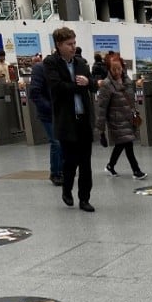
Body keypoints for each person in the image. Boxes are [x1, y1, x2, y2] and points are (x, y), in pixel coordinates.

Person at [44, 26, 98, 212]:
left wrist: (88, 83)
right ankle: (67, 189)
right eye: (69, 44)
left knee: (86, 163)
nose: (73, 47)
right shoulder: (51, 63)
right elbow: (57, 87)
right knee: (70, 161)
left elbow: (93, 85)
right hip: (67, 121)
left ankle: (84, 198)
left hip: (83, 120)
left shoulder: (81, 63)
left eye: (74, 43)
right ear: (59, 45)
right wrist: (79, 85)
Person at [95, 53, 145, 179]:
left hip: (128, 118)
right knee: (128, 145)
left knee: (121, 145)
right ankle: (136, 171)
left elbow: (130, 99)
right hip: (116, 120)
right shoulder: (106, 85)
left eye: (119, 68)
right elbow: (102, 108)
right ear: (109, 69)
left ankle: (110, 165)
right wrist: (100, 130)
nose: (117, 72)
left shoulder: (127, 81)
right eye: (114, 69)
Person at [28, 52, 63, 186]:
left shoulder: (61, 68)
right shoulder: (39, 69)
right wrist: (49, 107)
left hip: (62, 112)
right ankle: (55, 173)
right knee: (56, 142)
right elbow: (34, 92)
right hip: (48, 113)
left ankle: (62, 169)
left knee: (63, 142)